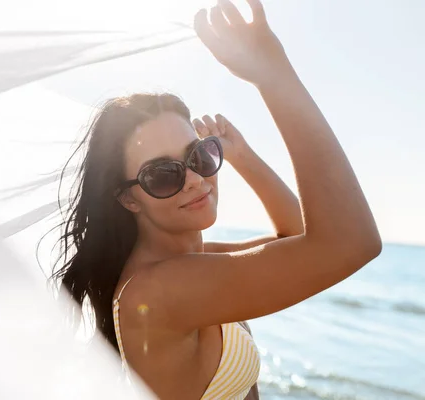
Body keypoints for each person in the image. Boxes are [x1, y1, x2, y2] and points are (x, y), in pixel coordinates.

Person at [50, 0, 382, 398]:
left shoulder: (196, 263)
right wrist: (273, 76)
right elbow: (350, 242)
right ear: (127, 200)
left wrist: (240, 154)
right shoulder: (155, 291)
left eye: (198, 155)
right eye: (162, 173)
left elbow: (297, 234)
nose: (194, 179)